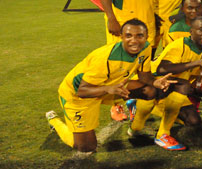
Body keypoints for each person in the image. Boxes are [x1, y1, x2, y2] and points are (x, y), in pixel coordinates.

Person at [45, 20, 176, 153]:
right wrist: (108, 89)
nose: (134, 41)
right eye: (129, 36)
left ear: (146, 37)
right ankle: (54, 121)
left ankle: (136, 123)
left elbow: (144, 76)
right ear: (121, 36)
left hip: (112, 86)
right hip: (78, 96)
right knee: (86, 147)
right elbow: (82, 91)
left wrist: (155, 82)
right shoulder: (104, 58)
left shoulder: (146, 48)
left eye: (139, 36)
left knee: (150, 91)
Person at [128, 17, 202, 150]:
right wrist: (199, 63)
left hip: (172, 89)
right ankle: (160, 132)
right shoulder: (180, 45)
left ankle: (139, 105)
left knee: (193, 121)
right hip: (153, 83)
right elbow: (162, 69)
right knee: (137, 129)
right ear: (191, 31)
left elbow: (195, 78)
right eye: (201, 30)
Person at [97, 0, 159, 121]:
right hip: (124, 22)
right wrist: (112, 18)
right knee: (118, 66)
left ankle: (136, 99)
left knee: (142, 65)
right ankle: (115, 105)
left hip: (146, 21)